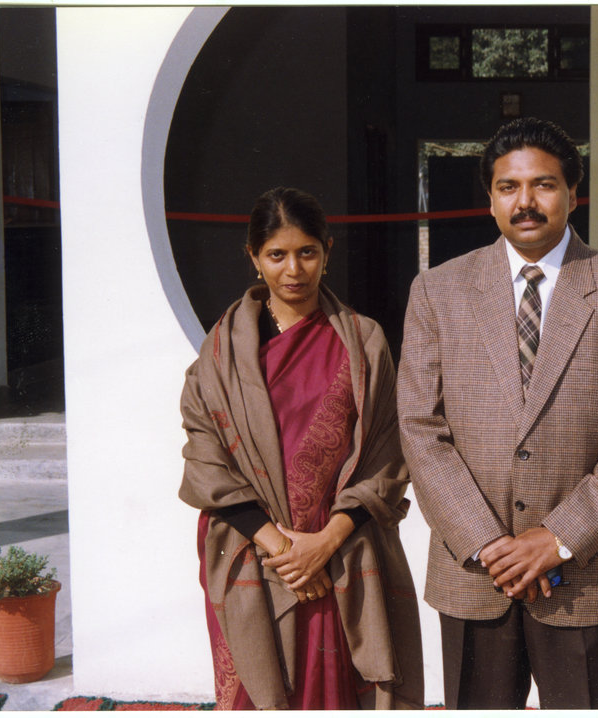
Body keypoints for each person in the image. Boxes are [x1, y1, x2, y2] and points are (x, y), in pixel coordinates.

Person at [398, 117, 598, 709]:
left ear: (573, 192)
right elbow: (422, 432)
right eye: (508, 187)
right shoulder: (437, 292)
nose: (525, 202)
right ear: (490, 198)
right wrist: (489, 544)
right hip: (473, 573)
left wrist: (556, 538)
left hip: (580, 572)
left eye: (544, 185)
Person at [179, 187, 423, 710]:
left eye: (307, 252)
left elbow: (387, 452)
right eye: (277, 254)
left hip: (343, 551)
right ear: (253, 257)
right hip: (253, 550)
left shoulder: (364, 342)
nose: (294, 269)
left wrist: (325, 543)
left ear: (327, 252)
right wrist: (286, 550)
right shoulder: (219, 355)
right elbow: (205, 459)